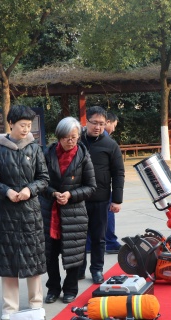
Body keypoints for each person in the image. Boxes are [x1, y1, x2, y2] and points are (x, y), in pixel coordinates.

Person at [0, 105, 49, 320]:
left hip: (30, 211)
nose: (26, 129)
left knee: (33, 257)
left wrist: (30, 189)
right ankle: (10, 307)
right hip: (6, 211)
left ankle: (35, 304)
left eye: (29, 125)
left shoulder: (35, 148)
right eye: (22, 125)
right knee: (8, 258)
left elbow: (44, 178)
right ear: (11, 124)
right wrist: (7, 191)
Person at [41, 117, 96, 304]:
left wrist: (71, 194)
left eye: (74, 137)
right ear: (59, 137)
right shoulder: (47, 154)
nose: (70, 141)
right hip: (50, 211)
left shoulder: (83, 156)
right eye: (66, 137)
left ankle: (71, 289)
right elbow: (40, 182)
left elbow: (91, 187)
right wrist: (52, 193)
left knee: (73, 254)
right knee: (50, 254)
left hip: (75, 213)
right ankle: (53, 288)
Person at [80, 106, 125, 284]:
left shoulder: (110, 145)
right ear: (86, 122)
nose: (98, 127)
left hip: (100, 199)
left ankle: (97, 270)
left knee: (99, 238)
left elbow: (118, 173)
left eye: (101, 123)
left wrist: (117, 200)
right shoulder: (77, 141)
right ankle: (78, 270)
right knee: (78, 237)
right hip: (77, 199)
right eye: (94, 123)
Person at [104, 111, 122, 254]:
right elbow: (118, 172)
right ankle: (110, 242)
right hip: (102, 186)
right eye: (114, 126)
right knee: (108, 212)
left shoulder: (86, 138)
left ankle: (90, 244)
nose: (114, 129)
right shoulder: (108, 142)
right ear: (107, 122)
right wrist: (117, 199)